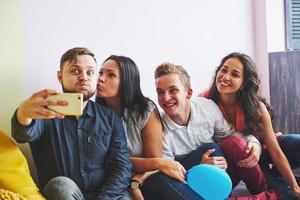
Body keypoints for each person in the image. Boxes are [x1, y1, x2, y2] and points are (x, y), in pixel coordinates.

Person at [11, 47, 132, 200]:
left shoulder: (110, 118)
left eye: (90, 72)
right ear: (60, 77)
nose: (84, 77)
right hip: (65, 193)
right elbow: (22, 134)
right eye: (75, 71)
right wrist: (23, 113)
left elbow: (121, 167)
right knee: (61, 185)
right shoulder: (45, 111)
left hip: (105, 195)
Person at [151, 62, 262, 199]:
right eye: (160, 92)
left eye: (173, 90)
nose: (166, 98)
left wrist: (254, 142)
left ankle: (262, 190)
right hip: (188, 179)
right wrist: (199, 170)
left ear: (188, 93)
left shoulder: (207, 107)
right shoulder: (158, 128)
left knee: (226, 145)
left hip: (221, 170)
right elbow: (169, 173)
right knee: (210, 148)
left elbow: (230, 134)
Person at [96, 55, 199, 200]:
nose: (100, 78)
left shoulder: (145, 110)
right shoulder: (94, 115)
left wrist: (136, 183)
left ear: (127, 82)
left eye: (111, 75)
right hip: (115, 181)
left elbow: (156, 162)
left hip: (146, 177)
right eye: (100, 73)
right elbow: (109, 161)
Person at [201, 52, 300, 199]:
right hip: (240, 159)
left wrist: (294, 186)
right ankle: (276, 184)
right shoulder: (203, 102)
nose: (225, 77)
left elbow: (275, 151)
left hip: (264, 149)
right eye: (223, 69)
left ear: (243, 84)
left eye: (234, 74)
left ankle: (280, 180)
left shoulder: (257, 106)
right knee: (284, 193)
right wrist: (203, 162)